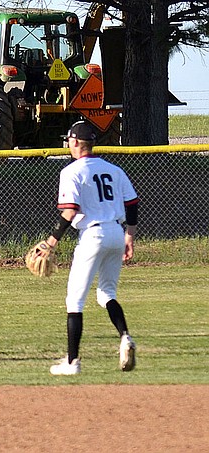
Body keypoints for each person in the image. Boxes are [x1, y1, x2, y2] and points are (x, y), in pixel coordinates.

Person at [44, 121, 139, 375]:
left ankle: (72, 362)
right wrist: (129, 235)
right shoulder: (114, 170)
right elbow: (132, 203)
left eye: (69, 141)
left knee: (75, 299)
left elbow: (70, 210)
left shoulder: (71, 171)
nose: (68, 145)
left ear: (75, 143)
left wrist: (52, 240)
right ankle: (125, 336)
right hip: (115, 233)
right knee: (106, 293)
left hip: (92, 235)